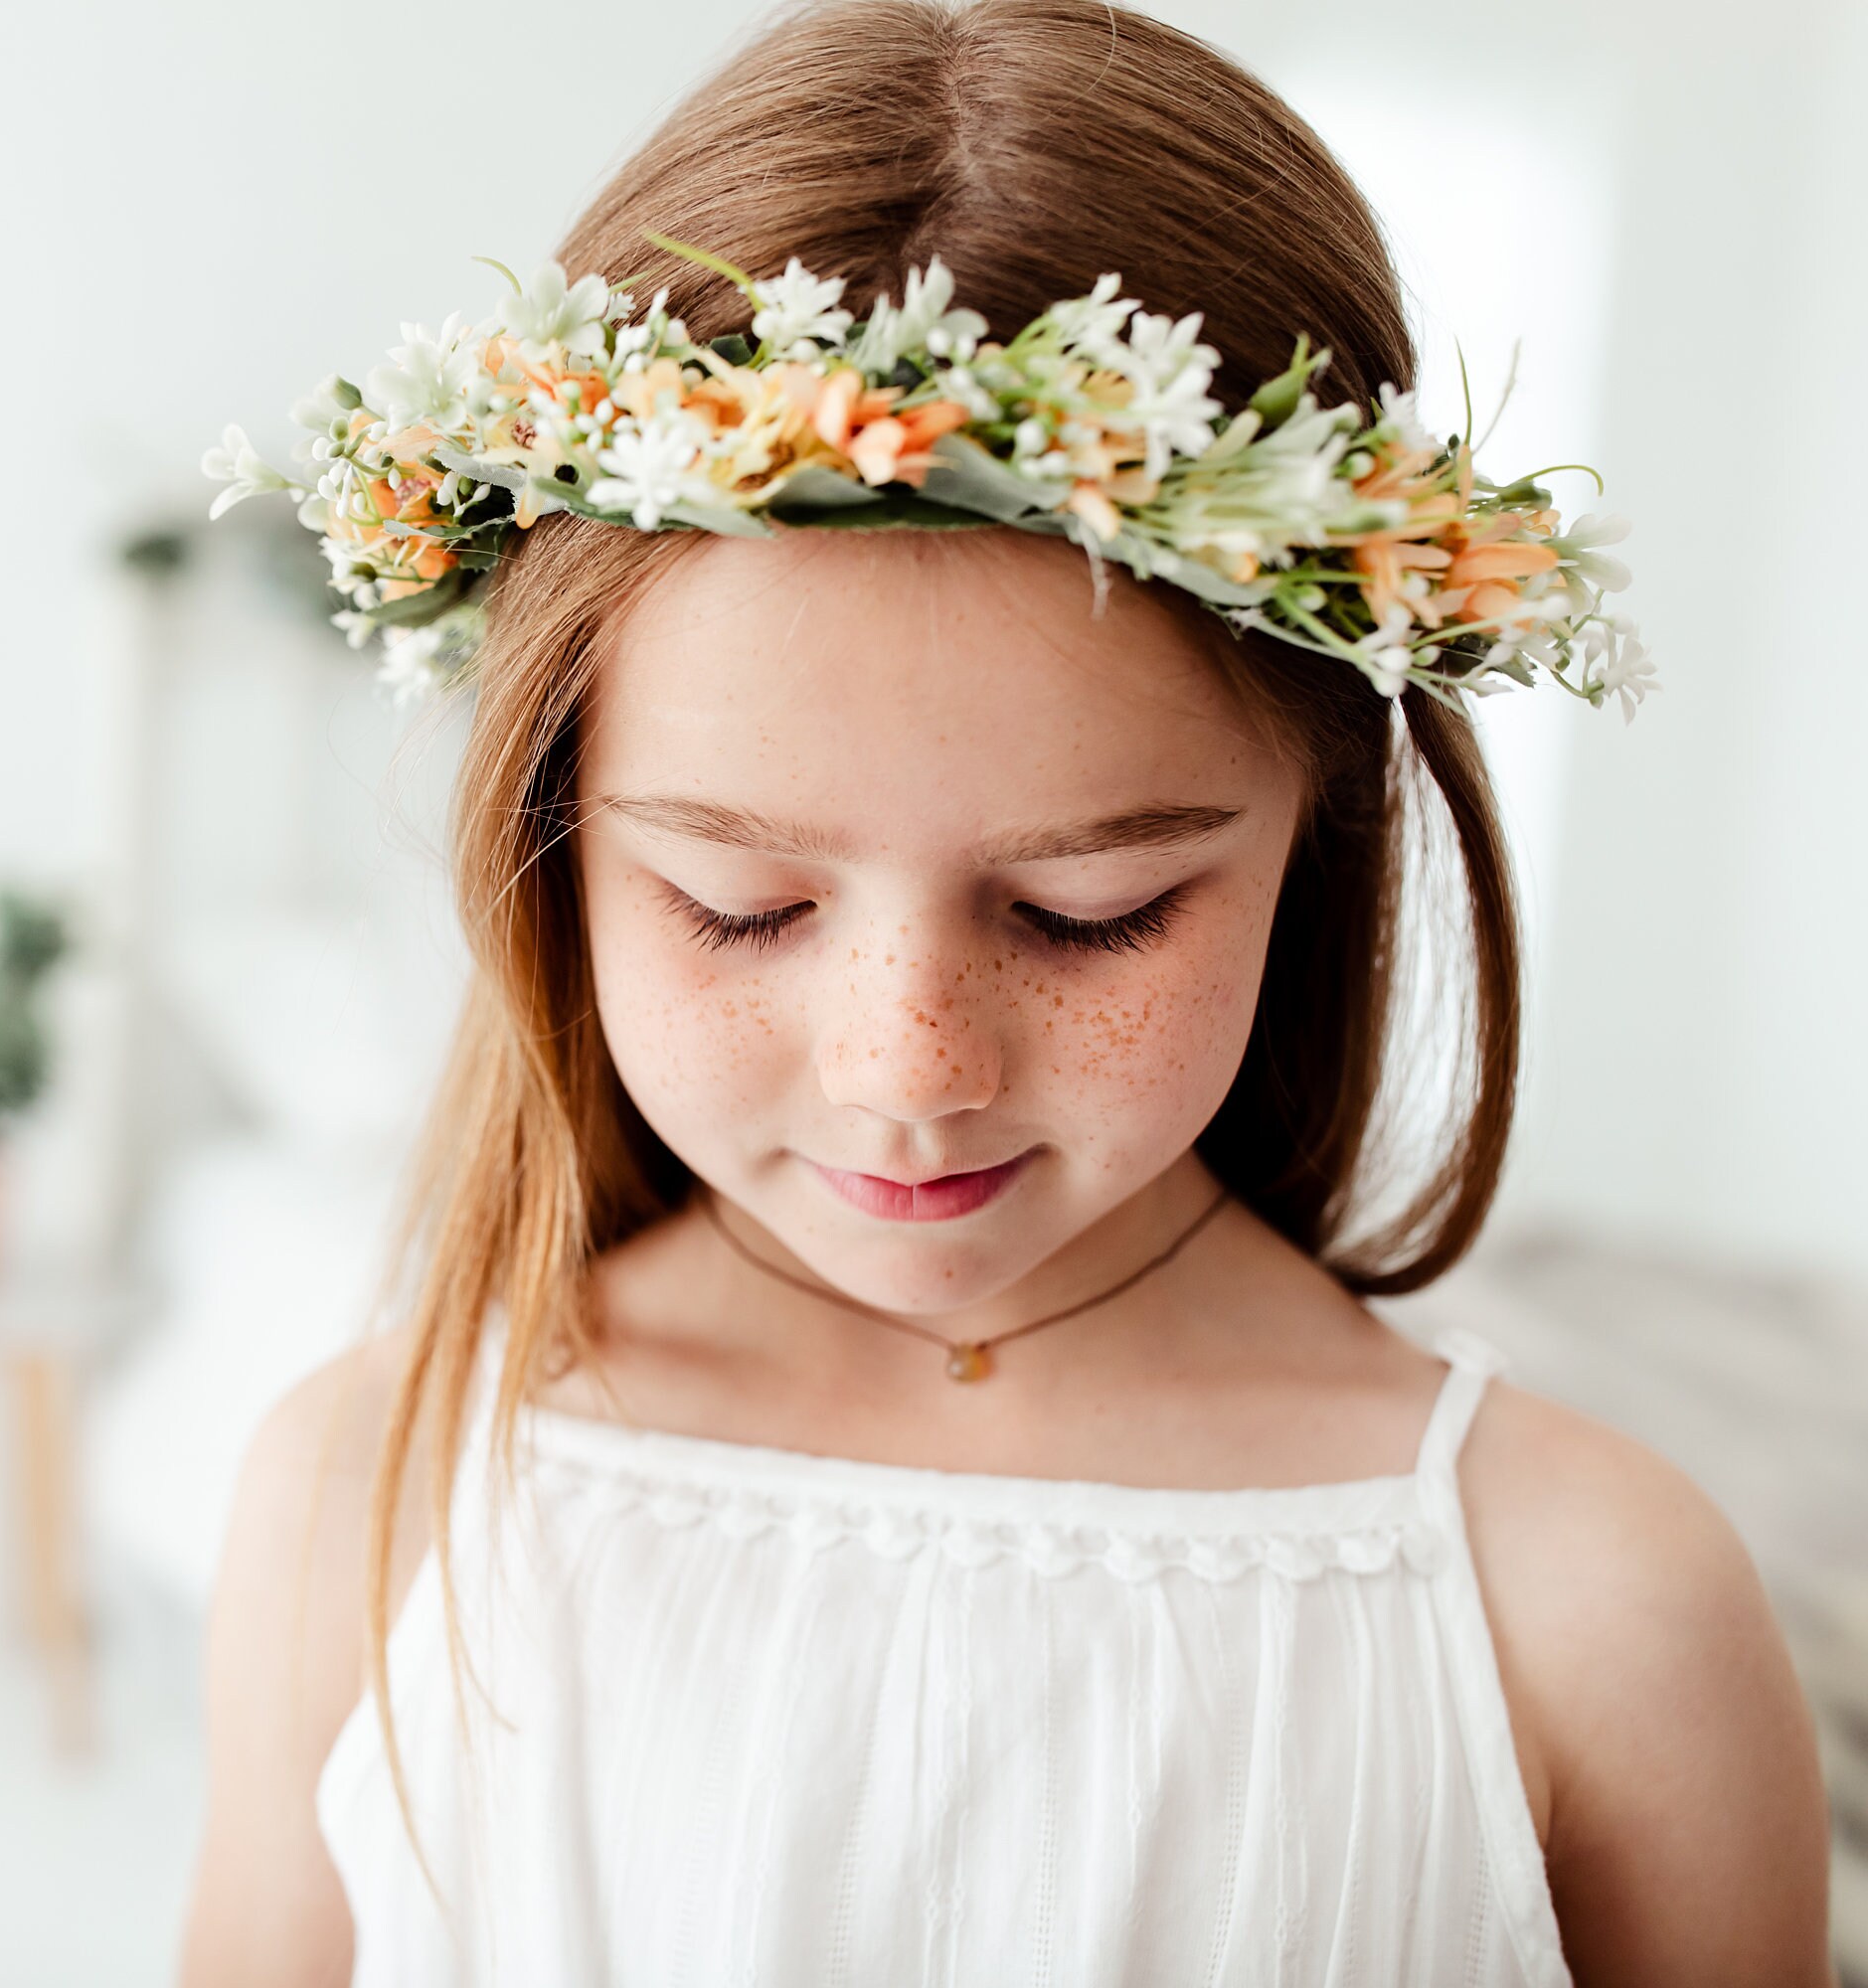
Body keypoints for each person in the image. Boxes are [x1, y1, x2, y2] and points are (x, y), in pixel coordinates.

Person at [177, 2, 1831, 1981]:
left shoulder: (1592, 1600)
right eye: (741, 904)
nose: (910, 1071)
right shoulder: (372, 1497)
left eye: (1091, 910)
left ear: (1323, 827)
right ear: (557, 839)